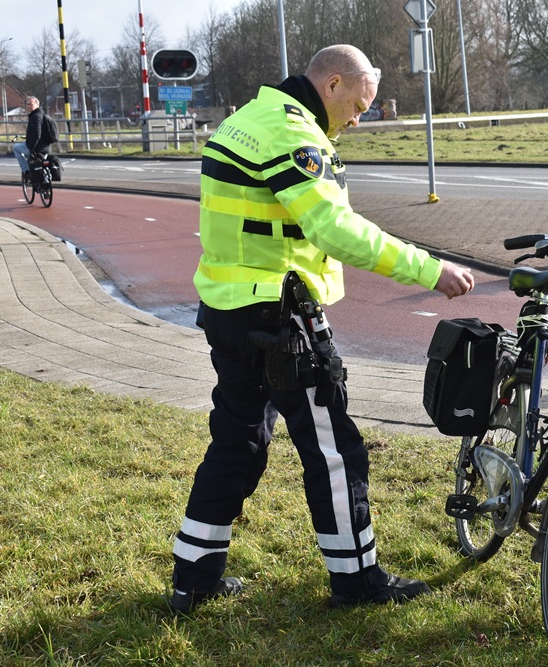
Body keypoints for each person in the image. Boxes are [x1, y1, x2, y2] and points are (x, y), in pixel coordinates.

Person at [169, 44, 476, 615]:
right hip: (279, 318)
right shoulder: (295, 135)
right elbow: (334, 230)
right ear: (332, 84)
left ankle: (194, 576)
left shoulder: (245, 120)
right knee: (335, 451)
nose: (359, 119)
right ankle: (357, 580)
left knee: (237, 443)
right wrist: (430, 269)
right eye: (359, 104)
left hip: (227, 308)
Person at [12, 97, 51, 175]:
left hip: (37, 147)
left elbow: (37, 134)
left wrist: (32, 148)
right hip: (46, 148)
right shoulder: (43, 115)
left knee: (15, 148)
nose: (29, 106)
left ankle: (26, 171)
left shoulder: (35, 116)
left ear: (37, 104)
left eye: (31, 104)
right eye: (28, 104)